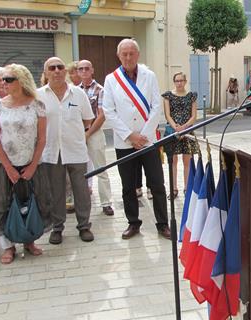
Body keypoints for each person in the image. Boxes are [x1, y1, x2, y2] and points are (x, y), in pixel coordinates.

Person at [102, 38, 171, 240]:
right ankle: (133, 223)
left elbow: (156, 106)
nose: (128, 57)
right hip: (124, 142)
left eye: (132, 53)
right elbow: (108, 110)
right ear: (119, 55)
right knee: (128, 186)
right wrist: (130, 136)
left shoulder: (149, 76)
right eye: (124, 54)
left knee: (157, 183)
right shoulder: (111, 79)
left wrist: (144, 135)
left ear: (138, 55)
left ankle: (162, 224)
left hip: (148, 141)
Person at [0, 63, 52, 264]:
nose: (3, 83)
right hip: (3, 165)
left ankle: (29, 241)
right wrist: (8, 168)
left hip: (30, 164)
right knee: (3, 204)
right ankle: (7, 246)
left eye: (8, 79)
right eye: (2, 80)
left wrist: (33, 165)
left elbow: (42, 139)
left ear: (21, 81)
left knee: (32, 202)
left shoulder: (37, 104)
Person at [37, 57, 95, 244]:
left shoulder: (78, 94)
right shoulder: (38, 96)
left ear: (66, 71)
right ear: (45, 73)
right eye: (51, 68)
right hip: (51, 152)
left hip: (76, 150)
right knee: (56, 192)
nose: (56, 71)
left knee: (81, 191)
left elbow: (88, 120)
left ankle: (84, 226)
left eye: (60, 67)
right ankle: (57, 227)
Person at [77, 59, 115, 216]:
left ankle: (106, 203)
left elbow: (101, 115)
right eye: (81, 69)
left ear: (92, 70)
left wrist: (88, 132)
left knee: (101, 168)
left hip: (94, 133)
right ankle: (80, 202)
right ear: (78, 72)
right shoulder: (75, 91)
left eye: (87, 68)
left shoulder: (100, 90)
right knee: (78, 170)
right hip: (77, 134)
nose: (84, 71)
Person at [162, 72, 198, 198]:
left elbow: (194, 116)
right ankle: (173, 188)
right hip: (173, 130)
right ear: (174, 82)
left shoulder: (192, 96)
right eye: (177, 81)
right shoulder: (168, 96)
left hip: (187, 130)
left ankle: (187, 188)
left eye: (181, 80)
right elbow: (167, 114)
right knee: (172, 161)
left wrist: (185, 128)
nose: (179, 83)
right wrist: (176, 127)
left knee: (187, 160)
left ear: (185, 81)